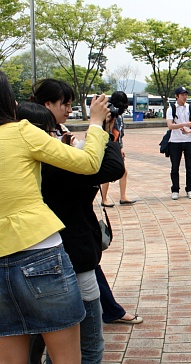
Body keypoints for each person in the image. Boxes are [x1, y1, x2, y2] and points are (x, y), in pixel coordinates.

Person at [0, 70, 109, 364]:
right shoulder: (20, 131)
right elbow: (88, 163)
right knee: (68, 358)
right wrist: (96, 123)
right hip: (38, 252)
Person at [18, 102, 124, 364]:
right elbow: (110, 167)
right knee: (83, 346)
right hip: (68, 259)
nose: (52, 137)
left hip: (32, 262)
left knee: (34, 342)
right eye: (48, 132)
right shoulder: (52, 167)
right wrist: (101, 128)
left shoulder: (24, 167)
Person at [99, 91, 136, 207]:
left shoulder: (119, 116)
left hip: (116, 146)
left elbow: (119, 134)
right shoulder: (109, 114)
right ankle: (104, 198)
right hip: (107, 146)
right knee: (107, 172)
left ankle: (123, 196)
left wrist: (120, 147)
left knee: (123, 172)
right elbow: (107, 132)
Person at [166, 86, 191, 200]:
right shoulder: (171, 108)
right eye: (182, 95)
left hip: (189, 141)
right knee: (174, 167)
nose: (184, 97)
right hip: (175, 142)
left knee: (190, 167)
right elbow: (170, 125)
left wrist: (189, 131)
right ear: (177, 96)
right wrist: (184, 124)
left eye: (186, 94)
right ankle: (175, 189)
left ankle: (190, 189)